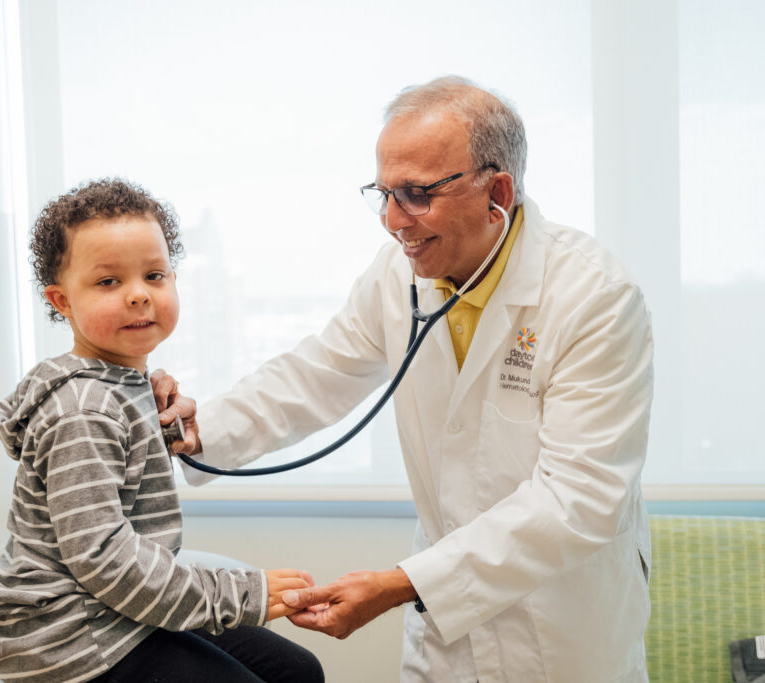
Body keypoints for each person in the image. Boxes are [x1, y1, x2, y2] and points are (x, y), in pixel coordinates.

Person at [155, 76, 654, 682]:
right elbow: (317, 374)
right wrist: (193, 430)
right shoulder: (401, 275)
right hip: (447, 627)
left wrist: (401, 584)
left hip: (561, 620)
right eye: (384, 193)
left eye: (417, 193)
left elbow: (578, 500)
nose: (393, 221)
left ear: (497, 192)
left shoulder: (593, 297)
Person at [0, 178, 324, 683]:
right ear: (62, 301)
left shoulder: (124, 386)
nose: (139, 295)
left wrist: (151, 414)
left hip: (119, 611)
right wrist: (241, 595)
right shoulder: (84, 410)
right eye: (108, 282)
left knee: (295, 670)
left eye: (154, 275)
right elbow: (105, 560)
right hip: (73, 637)